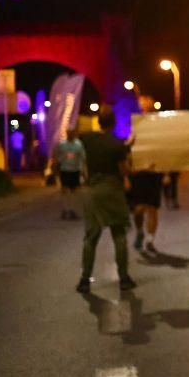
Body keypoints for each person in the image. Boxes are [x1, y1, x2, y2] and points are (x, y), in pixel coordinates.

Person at [76, 107, 136, 293]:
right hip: (112, 189)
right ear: (114, 123)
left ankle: (84, 280)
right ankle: (124, 279)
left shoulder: (87, 139)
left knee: (91, 237)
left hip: (93, 190)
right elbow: (123, 170)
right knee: (119, 234)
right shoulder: (117, 144)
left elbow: (76, 134)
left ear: (98, 122)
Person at [50, 128, 86, 220]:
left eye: (71, 132)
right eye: (68, 132)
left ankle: (72, 209)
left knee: (74, 191)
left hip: (75, 170)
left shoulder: (78, 144)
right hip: (65, 169)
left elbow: (82, 157)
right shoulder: (62, 144)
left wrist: (83, 170)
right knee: (65, 190)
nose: (70, 134)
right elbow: (56, 157)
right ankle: (66, 209)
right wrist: (55, 169)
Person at [128, 168, 164, 254]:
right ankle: (140, 232)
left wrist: (166, 173)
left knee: (152, 209)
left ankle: (150, 240)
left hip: (154, 175)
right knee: (138, 209)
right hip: (138, 176)